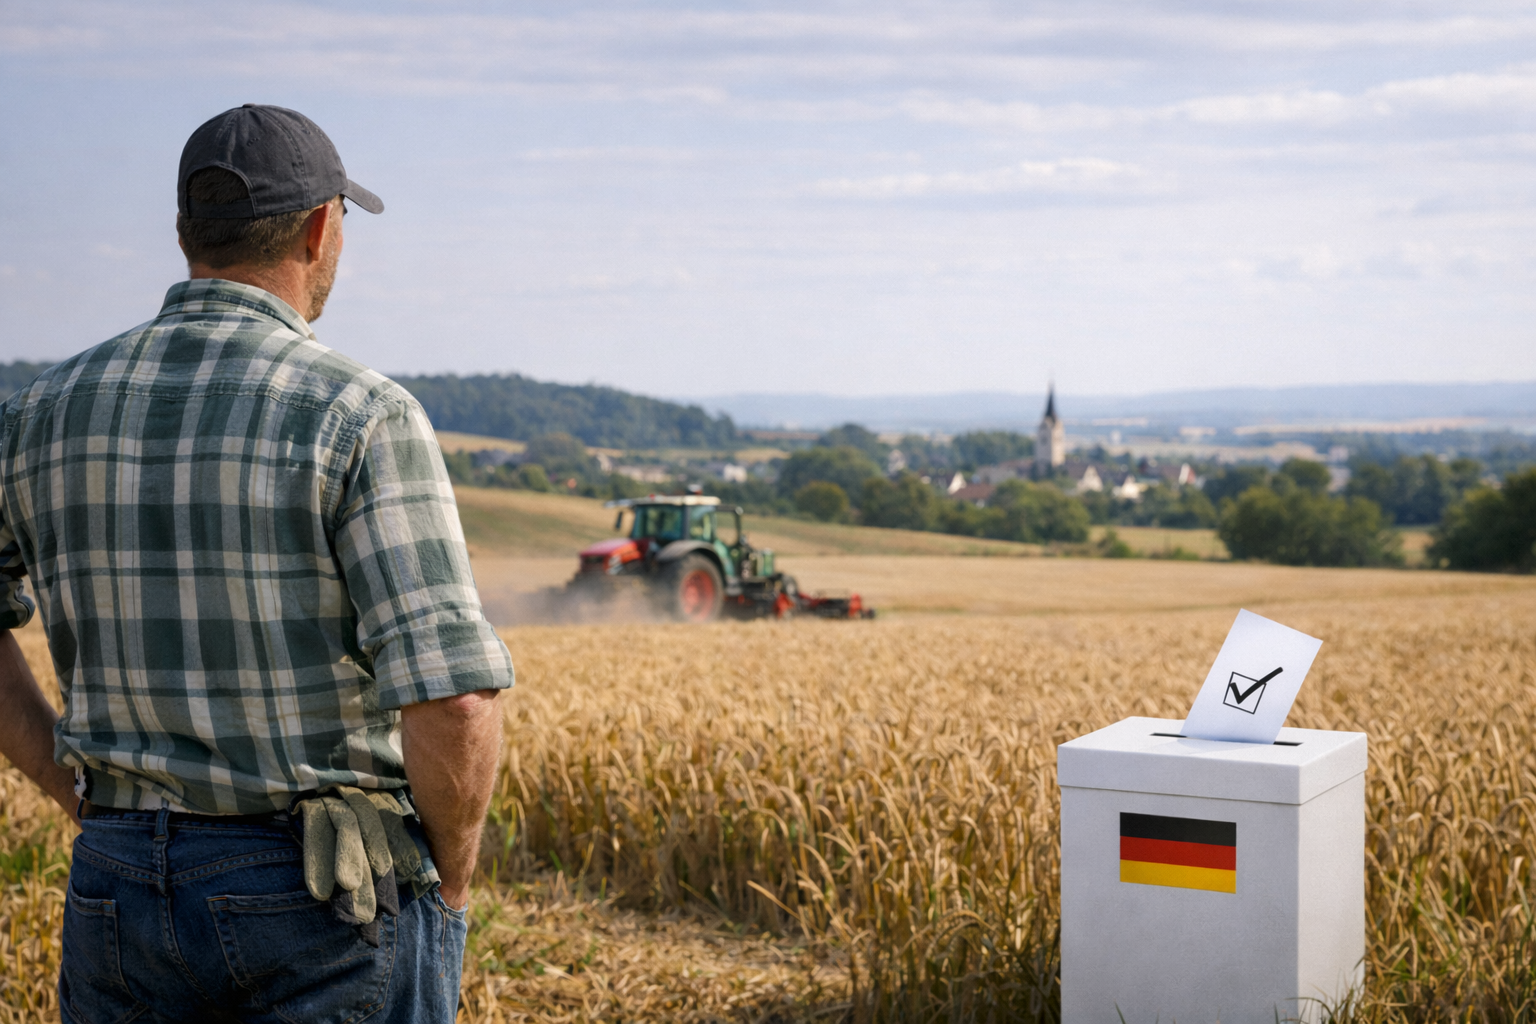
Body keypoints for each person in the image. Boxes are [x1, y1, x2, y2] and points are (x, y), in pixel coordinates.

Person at [0, 104, 514, 1023]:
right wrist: (448, 887)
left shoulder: (38, 412)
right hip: (323, 889)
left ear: (185, 234)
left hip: (113, 879)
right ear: (323, 228)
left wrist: (66, 786)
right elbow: (454, 697)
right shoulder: (360, 412)